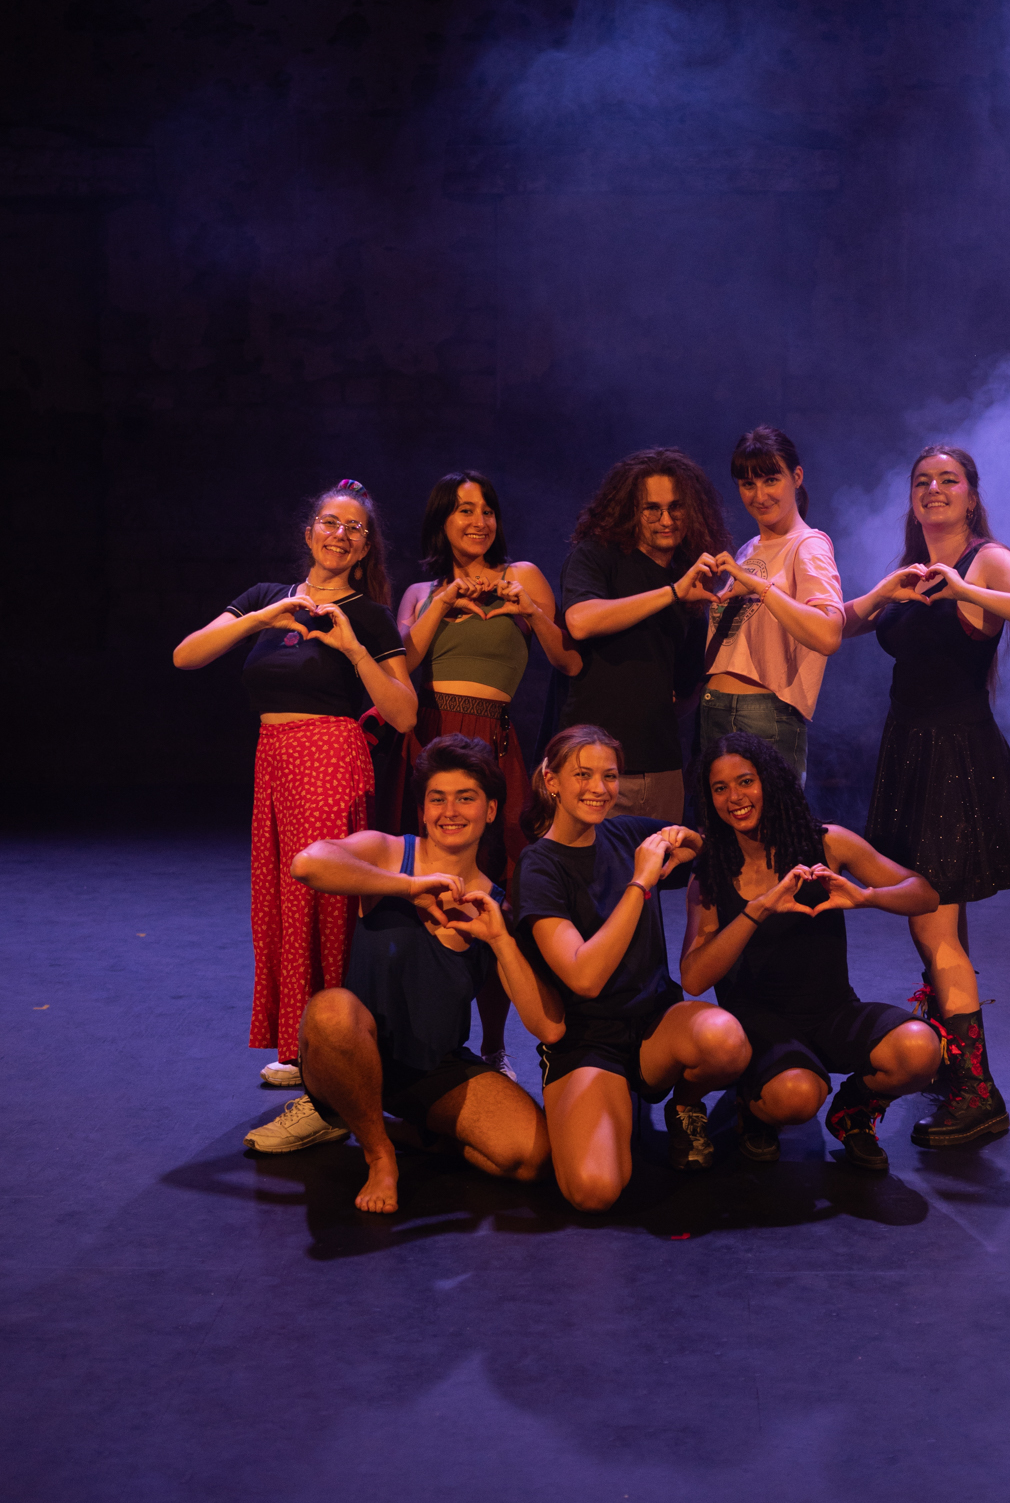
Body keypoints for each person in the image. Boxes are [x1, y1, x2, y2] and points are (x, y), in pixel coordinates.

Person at [842, 444, 1010, 1148]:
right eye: (922, 481)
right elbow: (842, 624)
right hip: (907, 753)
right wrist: (883, 594)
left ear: (971, 494)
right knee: (939, 924)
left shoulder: (985, 559)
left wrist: (967, 590)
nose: (933, 489)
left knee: (931, 925)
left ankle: (977, 1091)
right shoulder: (911, 565)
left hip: (952, 756)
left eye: (948, 480)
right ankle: (954, 1064)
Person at [245, 736, 562, 1211]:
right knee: (330, 1011)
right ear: (423, 810)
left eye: (466, 798)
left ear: (491, 810)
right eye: (437, 799)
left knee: (532, 1156)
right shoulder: (391, 853)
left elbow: (543, 1022)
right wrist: (407, 887)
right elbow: (307, 864)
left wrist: (499, 939)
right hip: (352, 1051)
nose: (449, 811)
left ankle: (393, 1127)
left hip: (434, 1070)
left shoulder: (496, 904)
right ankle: (379, 1155)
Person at [174, 480, 417, 1084]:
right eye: (330, 523)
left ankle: (334, 1044)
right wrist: (260, 619)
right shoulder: (265, 598)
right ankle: (303, 1040)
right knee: (281, 903)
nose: (340, 535)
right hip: (275, 762)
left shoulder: (369, 616)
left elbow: (405, 714)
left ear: (365, 548)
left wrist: (354, 650)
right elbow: (186, 655)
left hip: (329, 755)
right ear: (309, 534)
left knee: (324, 902)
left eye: (354, 528)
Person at [511, 725, 751, 1211]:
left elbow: (706, 845)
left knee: (726, 1041)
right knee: (594, 1191)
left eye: (610, 776)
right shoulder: (538, 866)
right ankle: (608, 1099)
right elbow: (584, 977)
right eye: (583, 775)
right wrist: (639, 883)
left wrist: (690, 840)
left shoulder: (625, 832)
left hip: (654, 1027)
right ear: (551, 780)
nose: (599, 788)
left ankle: (684, 1105)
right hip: (588, 1039)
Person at [680, 733, 940, 1172]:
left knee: (920, 1050)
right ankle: (752, 1107)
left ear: (769, 781)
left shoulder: (826, 843)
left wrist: (866, 897)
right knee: (798, 1098)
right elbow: (693, 977)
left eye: (745, 781)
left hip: (833, 1011)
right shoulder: (711, 872)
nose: (735, 797)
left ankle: (852, 1110)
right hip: (760, 1026)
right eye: (720, 788)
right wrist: (756, 912)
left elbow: (925, 894)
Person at [397, 470, 582, 1073]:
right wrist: (444, 601)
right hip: (431, 740)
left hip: (493, 745)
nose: (478, 521)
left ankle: (496, 1045)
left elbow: (569, 660)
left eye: (487, 510)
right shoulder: (421, 592)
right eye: (464, 510)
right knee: (427, 888)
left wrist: (530, 611)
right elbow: (405, 662)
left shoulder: (522, 576)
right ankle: (429, 1039)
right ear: (442, 521)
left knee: (495, 892)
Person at [558, 449, 730, 819]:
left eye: (676, 507)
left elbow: (688, 687)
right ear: (629, 510)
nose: (666, 520)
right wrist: (672, 593)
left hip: (662, 766)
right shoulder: (598, 555)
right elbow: (580, 621)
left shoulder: (688, 579)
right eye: (652, 508)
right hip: (594, 765)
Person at [699, 425, 844, 783]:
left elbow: (828, 635)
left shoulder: (808, 545)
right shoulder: (749, 548)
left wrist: (759, 586)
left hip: (762, 715)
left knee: (773, 818)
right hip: (715, 708)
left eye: (770, 480)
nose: (759, 495)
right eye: (748, 484)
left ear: (797, 477)